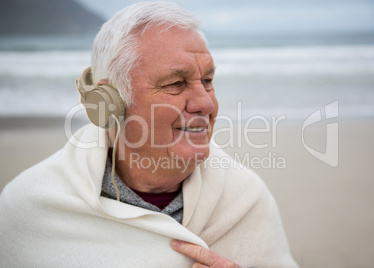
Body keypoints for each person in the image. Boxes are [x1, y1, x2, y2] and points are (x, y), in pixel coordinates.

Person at [0, 2, 298, 267]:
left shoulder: (245, 197)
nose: (206, 103)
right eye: (176, 83)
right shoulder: (29, 206)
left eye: (207, 80)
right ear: (110, 102)